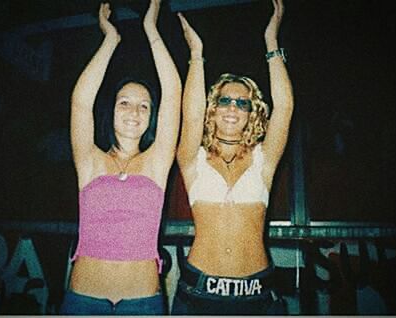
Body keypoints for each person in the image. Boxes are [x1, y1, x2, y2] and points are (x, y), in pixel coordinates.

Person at [59, 0, 181, 315]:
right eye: (124, 102)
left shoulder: (157, 162)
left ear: (152, 116)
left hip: (142, 303)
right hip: (83, 300)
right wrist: (109, 39)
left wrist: (151, 30)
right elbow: (80, 102)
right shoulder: (90, 161)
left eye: (144, 106)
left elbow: (173, 92)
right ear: (111, 110)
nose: (133, 112)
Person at [173, 0, 293, 314]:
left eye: (243, 103)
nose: (232, 108)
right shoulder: (192, 159)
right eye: (225, 100)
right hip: (199, 291)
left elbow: (285, 107)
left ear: (252, 114)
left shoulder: (263, 160)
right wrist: (196, 57)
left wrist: (272, 43)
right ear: (213, 108)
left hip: (257, 294)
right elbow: (191, 114)